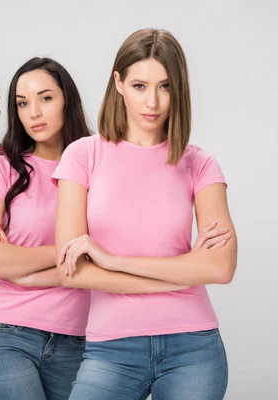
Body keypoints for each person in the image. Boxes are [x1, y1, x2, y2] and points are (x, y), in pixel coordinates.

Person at [54, 28, 237, 399]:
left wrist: (111, 260)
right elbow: (71, 269)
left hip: (193, 348)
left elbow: (220, 267)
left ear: (178, 88)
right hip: (111, 350)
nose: (152, 101)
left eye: (165, 86)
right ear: (118, 83)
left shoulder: (199, 164)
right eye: (140, 86)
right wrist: (183, 271)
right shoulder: (82, 155)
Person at [0, 57, 91, 400]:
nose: (33, 112)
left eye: (46, 98)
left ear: (68, 99)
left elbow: (112, 255)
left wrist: (20, 265)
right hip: (4, 331)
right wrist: (69, 250)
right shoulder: (2, 169)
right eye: (23, 103)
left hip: (78, 337)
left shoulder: (97, 165)